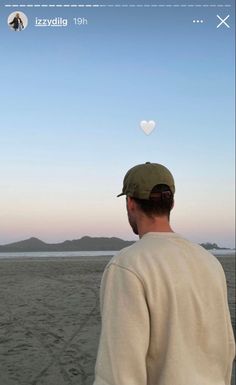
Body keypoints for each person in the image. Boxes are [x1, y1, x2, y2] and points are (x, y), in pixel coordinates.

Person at [93, 162, 235, 385]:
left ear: (130, 203)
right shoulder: (210, 262)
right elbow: (226, 348)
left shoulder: (128, 265)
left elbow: (119, 372)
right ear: (172, 203)